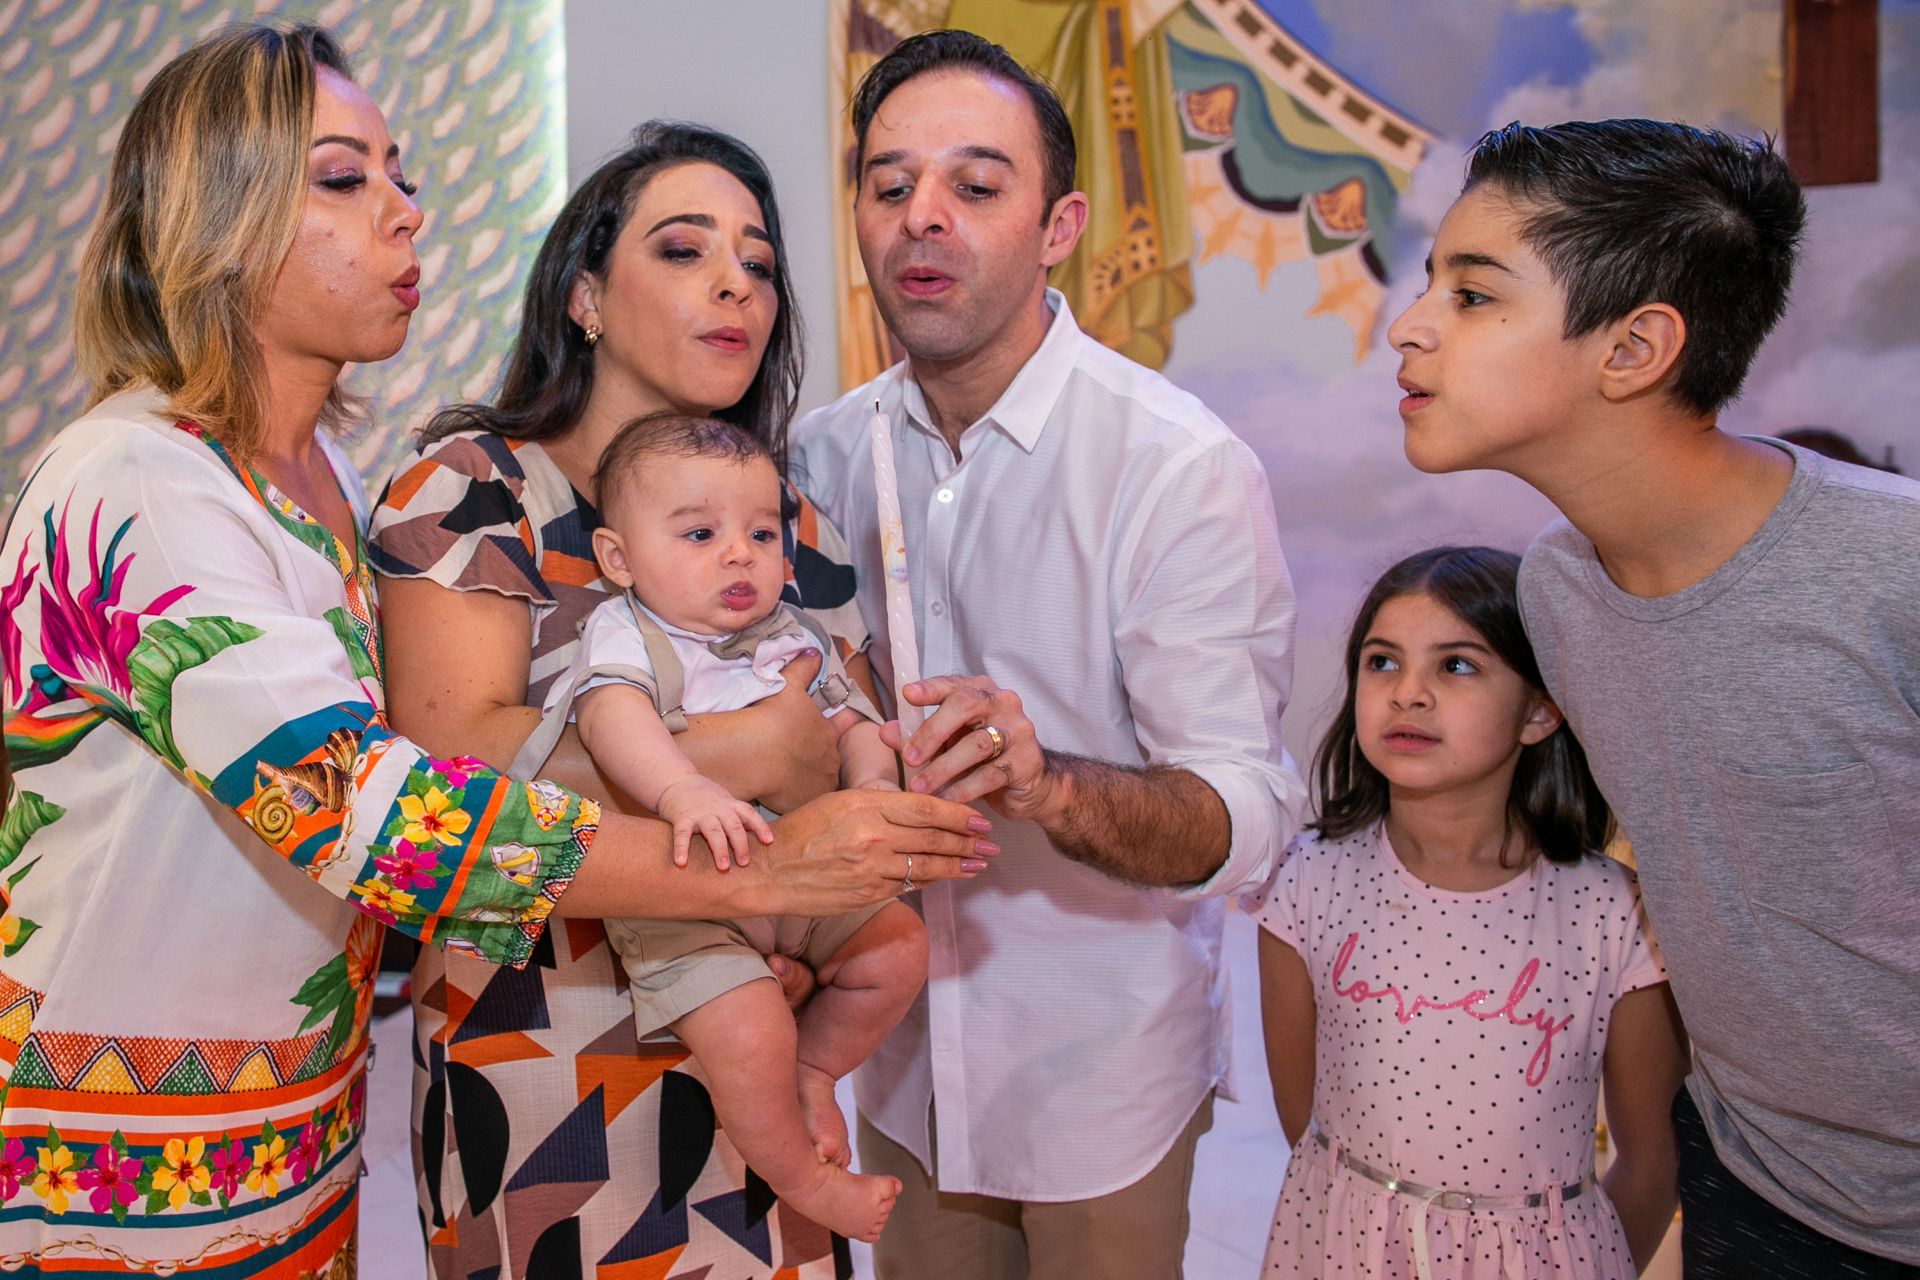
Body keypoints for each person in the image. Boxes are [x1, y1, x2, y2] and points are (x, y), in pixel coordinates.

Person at [0, 26, 986, 1279]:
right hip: (118, 1155)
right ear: (219, 214)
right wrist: (758, 866)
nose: (407, 211)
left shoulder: (309, 481)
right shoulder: (143, 476)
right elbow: (373, 809)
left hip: (283, 1132)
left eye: (399, 174)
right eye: (346, 179)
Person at [369, 120, 989, 1279]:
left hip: (759, 1052)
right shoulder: (474, 488)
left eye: (758, 263)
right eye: (685, 250)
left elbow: (850, 755)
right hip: (544, 1052)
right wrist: (757, 744)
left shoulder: (785, 523)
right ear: (586, 296)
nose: (734, 286)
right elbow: (444, 768)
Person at [791, 30, 1304, 1279]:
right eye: (889, 182)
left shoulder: (1172, 465)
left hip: (1102, 1072)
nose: (924, 218)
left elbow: (1248, 813)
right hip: (900, 1055)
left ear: (1061, 222)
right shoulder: (820, 458)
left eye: (975, 185)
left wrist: (1048, 782)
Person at [1389, 119, 1920, 1276]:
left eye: (1475, 296)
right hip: (1755, 1177)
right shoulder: (1557, 589)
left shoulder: (1897, 568)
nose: (1411, 324)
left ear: (1634, 349)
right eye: (1433, 281)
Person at [527, 413, 922, 1242]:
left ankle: (816, 1072)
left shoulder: (788, 633)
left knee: (897, 951)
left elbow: (849, 723)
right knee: (748, 1036)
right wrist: (680, 792)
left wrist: (874, 785)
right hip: (688, 896)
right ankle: (802, 1179)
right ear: (620, 559)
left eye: (762, 532)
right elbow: (611, 719)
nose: (741, 553)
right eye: (701, 533)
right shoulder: (625, 631)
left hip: (800, 876)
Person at [1251, 545, 1686, 1278]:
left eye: (1455, 665)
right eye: (1382, 662)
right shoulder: (1305, 883)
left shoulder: (1615, 914)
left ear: (1540, 711)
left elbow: (1650, 1164)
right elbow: (1311, 1132)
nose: (1408, 693)